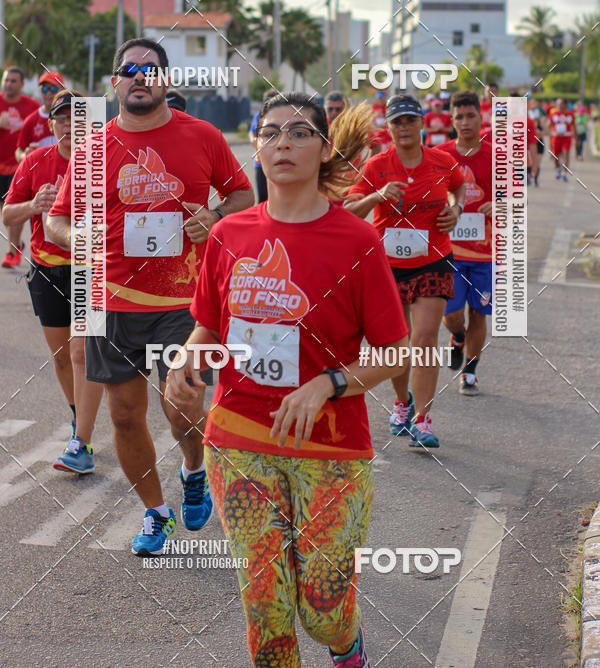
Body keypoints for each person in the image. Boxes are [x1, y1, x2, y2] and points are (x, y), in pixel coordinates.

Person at [165, 91, 410, 668]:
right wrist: (184, 361)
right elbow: (209, 325)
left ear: (324, 149)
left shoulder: (357, 240)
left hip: (331, 445)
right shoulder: (229, 235)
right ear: (256, 145)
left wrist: (328, 382)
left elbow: (398, 353)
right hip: (237, 437)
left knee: (322, 609)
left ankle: (346, 643)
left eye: (300, 133)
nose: (284, 143)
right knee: (265, 607)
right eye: (271, 132)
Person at [46, 37, 254, 555]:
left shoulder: (201, 135)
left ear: (166, 80)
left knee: (182, 402)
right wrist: (77, 239)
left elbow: (243, 195)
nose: (141, 76)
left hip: (185, 302)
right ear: (115, 81)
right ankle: (156, 513)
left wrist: (216, 216)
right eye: (130, 69)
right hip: (111, 299)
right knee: (122, 414)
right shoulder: (94, 147)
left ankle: (193, 467)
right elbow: (55, 221)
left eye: (152, 69)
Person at [345, 95, 465, 448]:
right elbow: (351, 211)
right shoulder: (376, 167)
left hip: (433, 259)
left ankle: (423, 420)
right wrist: (377, 196)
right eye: (397, 122)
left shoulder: (442, 162)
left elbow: (458, 187)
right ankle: (402, 403)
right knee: (395, 346)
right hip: (387, 266)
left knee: (425, 339)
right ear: (389, 126)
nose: (404, 127)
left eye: (410, 120)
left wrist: (456, 210)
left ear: (422, 122)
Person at [3, 90, 104, 470]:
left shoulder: (102, 163)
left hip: (90, 269)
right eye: (61, 118)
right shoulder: (34, 161)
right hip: (46, 269)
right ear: (50, 124)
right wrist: (34, 206)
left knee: (82, 353)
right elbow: (9, 215)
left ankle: (82, 443)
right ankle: (80, 417)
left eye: (76, 118)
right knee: (63, 358)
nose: (68, 125)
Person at [436, 91, 492, 395]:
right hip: (449, 252)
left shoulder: (496, 154)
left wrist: (499, 205)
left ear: (480, 117)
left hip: (486, 251)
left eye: (471, 115)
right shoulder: (440, 155)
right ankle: (457, 336)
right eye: (459, 116)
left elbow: (517, 198)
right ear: (452, 119)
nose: (465, 121)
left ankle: (470, 372)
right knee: (452, 315)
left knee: (479, 313)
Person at [0, 67, 39, 268]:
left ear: (22, 84)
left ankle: (12, 252)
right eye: (6, 80)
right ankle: (17, 246)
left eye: (13, 81)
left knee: (14, 211)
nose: (8, 84)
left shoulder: (31, 106)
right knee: (5, 216)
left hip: (19, 169)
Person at [15, 71, 66, 162]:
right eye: (44, 89)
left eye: (53, 89)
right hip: (41, 174)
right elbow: (19, 151)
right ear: (39, 90)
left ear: (63, 90)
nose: (48, 93)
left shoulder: (73, 117)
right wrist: (25, 156)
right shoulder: (31, 120)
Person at [249, 88, 279, 202]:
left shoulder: (284, 117)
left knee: (278, 198)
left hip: (278, 162)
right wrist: (255, 144)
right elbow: (252, 132)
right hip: (261, 163)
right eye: (267, 101)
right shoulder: (259, 115)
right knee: (262, 198)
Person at [548, 97, 575, 180]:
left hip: (566, 138)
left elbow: (574, 126)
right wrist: (551, 133)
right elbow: (548, 126)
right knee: (555, 156)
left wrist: (576, 139)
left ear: (564, 105)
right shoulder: (553, 114)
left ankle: (564, 173)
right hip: (556, 138)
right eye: (557, 104)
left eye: (560, 104)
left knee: (566, 154)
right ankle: (558, 168)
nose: (558, 105)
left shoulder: (570, 114)